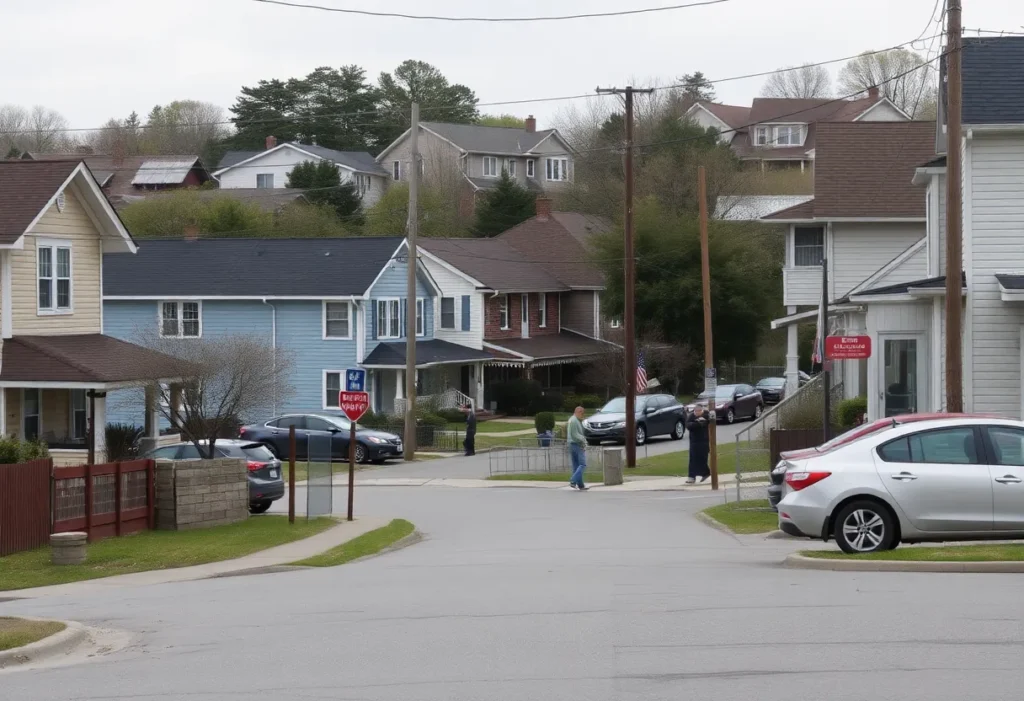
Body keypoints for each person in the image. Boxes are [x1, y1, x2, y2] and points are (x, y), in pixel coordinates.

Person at [686, 405, 711, 484]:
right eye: (695, 412)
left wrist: (700, 422)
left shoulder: (707, 414)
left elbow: (706, 422)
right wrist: (698, 422)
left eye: (699, 412)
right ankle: (691, 477)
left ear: (701, 411)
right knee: (693, 459)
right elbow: (689, 425)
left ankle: (705, 473)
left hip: (704, 441)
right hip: (694, 441)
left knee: (702, 458)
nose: (697, 413)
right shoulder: (691, 416)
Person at [566, 405, 589, 491]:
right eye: (582, 414)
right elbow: (575, 435)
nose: (582, 416)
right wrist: (583, 440)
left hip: (572, 445)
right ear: (578, 412)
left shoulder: (573, 420)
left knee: (576, 466)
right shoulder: (574, 421)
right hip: (577, 444)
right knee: (582, 464)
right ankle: (573, 480)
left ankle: (581, 485)